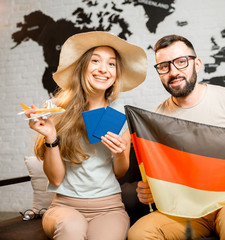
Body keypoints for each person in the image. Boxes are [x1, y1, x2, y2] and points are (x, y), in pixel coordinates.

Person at [127, 35, 225, 240]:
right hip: (185, 211)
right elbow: (160, 174)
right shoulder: (157, 119)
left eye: (181, 62)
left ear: (197, 64)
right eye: (164, 66)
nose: (173, 72)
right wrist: (148, 191)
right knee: (139, 232)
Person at [24, 31, 147, 240]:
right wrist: (51, 137)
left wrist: (119, 153)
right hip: (65, 206)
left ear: (116, 72)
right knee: (71, 228)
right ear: (83, 67)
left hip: (109, 207)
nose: (103, 69)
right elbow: (55, 178)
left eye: (111, 64)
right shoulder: (56, 110)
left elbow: (120, 172)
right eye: (95, 61)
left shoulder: (120, 116)